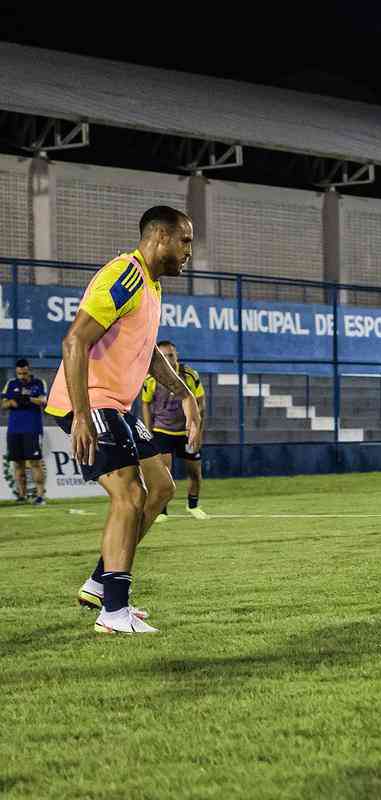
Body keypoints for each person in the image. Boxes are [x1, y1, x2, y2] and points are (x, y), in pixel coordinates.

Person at [44, 206, 200, 634]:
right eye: (185, 241)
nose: (190, 251)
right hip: (92, 401)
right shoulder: (125, 275)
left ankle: (100, 581)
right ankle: (114, 612)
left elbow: (147, 354)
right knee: (129, 496)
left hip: (117, 405)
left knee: (162, 486)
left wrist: (186, 395)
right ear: (161, 237)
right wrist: (80, 414)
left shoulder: (152, 286)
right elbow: (74, 340)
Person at [141, 340, 207, 519]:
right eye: (163, 355)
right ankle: (162, 511)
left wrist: (198, 431)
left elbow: (200, 403)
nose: (168, 358)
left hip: (186, 433)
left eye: (171, 354)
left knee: (194, 471)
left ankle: (193, 506)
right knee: (164, 473)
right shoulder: (151, 378)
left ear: (176, 355)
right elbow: (146, 403)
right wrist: (149, 430)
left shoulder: (189, 375)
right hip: (162, 431)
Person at [3, 359, 47, 505]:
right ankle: (22, 496)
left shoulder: (39, 383)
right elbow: (3, 403)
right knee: (17, 464)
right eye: (19, 373)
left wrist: (28, 399)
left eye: (24, 373)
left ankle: (40, 496)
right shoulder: (11, 384)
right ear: (16, 372)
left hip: (32, 429)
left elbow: (44, 401)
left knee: (35, 462)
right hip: (14, 429)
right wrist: (12, 402)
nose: (22, 376)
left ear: (29, 370)